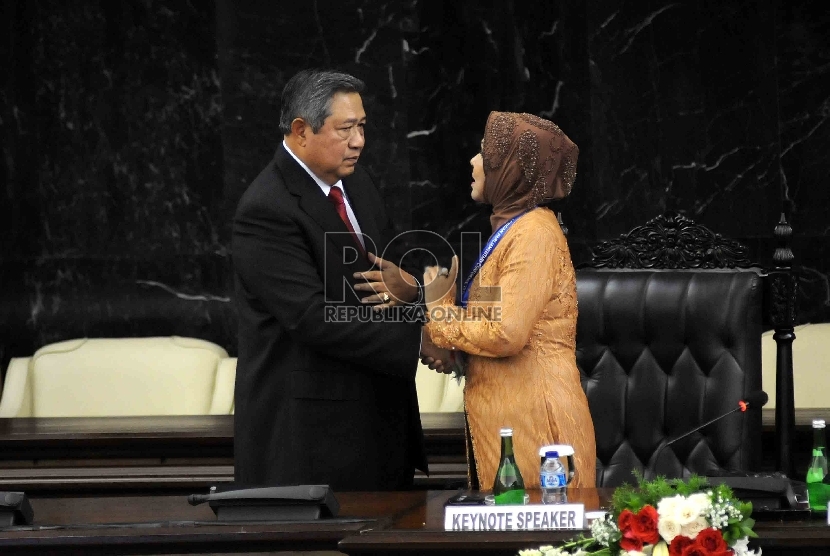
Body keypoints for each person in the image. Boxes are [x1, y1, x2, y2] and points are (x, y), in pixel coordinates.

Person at [232, 69, 431, 491]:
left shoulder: (356, 184)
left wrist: (414, 293)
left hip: (382, 430)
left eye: (362, 126)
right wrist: (422, 337)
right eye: (346, 129)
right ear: (301, 131)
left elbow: (388, 272)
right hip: (314, 447)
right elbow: (312, 317)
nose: (359, 141)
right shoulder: (267, 208)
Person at [421, 111, 597, 490]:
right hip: (512, 420)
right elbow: (485, 322)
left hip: (539, 426)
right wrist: (448, 341)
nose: (474, 162)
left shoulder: (533, 235)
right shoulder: (510, 231)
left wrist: (439, 313)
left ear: (512, 169)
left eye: (485, 154)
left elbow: (505, 334)